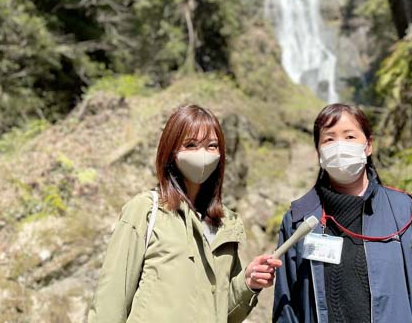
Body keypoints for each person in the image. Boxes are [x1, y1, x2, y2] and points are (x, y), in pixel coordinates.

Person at [88, 104, 281, 322]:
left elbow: (222, 313)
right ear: (170, 152)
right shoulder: (145, 211)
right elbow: (111, 300)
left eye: (212, 146)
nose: (203, 155)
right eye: (190, 145)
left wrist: (248, 283)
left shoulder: (225, 224)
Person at [272, 103, 412, 322]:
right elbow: (287, 310)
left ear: (368, 145)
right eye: (329, 139)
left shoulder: (408, 213)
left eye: (350, 137)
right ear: (319, 152)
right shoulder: (298, 220)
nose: (340, 146)